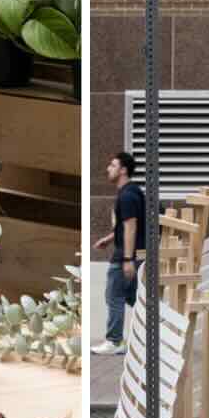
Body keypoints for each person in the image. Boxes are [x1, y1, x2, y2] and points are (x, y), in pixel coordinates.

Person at [90, 152, 146, 355]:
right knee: (134, 298)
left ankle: (114, 341)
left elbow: (131, 226)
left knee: (114, 296)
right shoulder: (132, 192)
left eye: (112, 165)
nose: (108, 168)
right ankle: (160, 330)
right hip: (133, 254)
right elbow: (125, 226)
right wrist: (109, 238)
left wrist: (127, 258)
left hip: (126, 256)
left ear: (123, 170)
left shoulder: (128, 195)